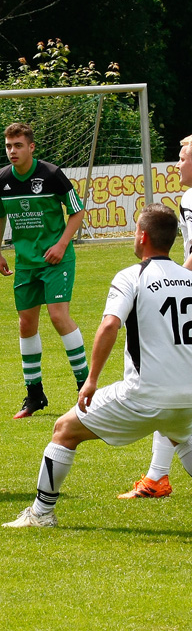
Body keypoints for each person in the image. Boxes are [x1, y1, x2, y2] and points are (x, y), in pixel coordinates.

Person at [4, 204, 192, 528]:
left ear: (143, 236)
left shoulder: (132, 276)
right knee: (181, 437)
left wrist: (91, 379)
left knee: (64, 430)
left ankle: (40, 514)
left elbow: (109, 326)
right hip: (188, 397)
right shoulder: (189, 279)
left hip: (143, 394)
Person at [0, 122, 88, 419]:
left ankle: (86, 390)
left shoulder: (52, 175)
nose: (12, 151)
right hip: (26, 263)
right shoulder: (1, 180)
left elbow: (77, 211)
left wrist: (61, 244)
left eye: (18, 145)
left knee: (59, 317)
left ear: (31, 147)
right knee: (26, 325)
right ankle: (34, 394)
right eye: (8, 146)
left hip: (56, 260)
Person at [117, 134, 192, 499]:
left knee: (168, 377)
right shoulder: (187, 199)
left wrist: (178, 277)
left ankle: (157, 477)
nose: (178, 164)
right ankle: (157, 477)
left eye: (183, 158)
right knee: (173, 378)